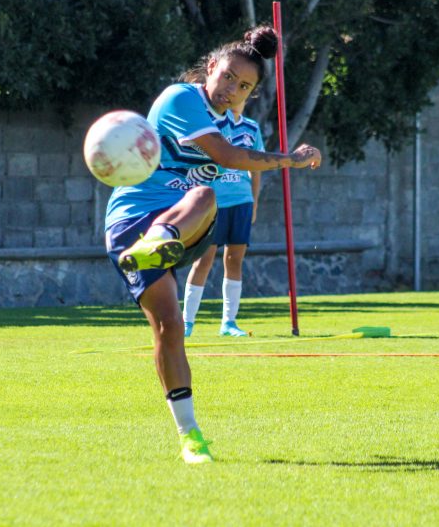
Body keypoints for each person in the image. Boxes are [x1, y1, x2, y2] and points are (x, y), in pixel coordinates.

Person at [103, 25, 321, 464]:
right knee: (168, 324)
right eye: (227, 78)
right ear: (210, 68)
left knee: (205, 200)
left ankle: (190, 437)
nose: (231, 89)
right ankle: (190, 437)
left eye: (244, 86)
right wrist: (290, 160)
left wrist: (281, 155)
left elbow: (241, 156)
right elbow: (227, 157)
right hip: (130, 224)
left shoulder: (234, 124)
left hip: (177, 226)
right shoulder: (182, 98)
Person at [182, 95, 262, 338]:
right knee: (203, 260)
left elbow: (257, 167)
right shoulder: (212, 124)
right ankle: (186, 322)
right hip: (214, 202)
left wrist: (255, 202)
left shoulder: (252, 127)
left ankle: (229, 322)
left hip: (242, 201)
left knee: (234, 260)